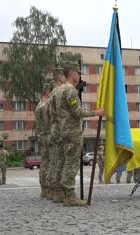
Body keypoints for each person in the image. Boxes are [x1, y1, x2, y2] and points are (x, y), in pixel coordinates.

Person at [56, 62, 104, 206]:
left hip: (65, 131)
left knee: (67, 163)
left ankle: (66, 195)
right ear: (71, 73)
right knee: (71, 164)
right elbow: (77, 112)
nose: (80, 75)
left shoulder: (60, 90)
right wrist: (96, 112)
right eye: (78, 72)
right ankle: (70, 197)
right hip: (72, 132)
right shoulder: (70, 90)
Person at [47, 66, 66, 202]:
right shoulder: (58, 92)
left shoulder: (53, 93)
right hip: (59, 128)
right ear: (60, 77)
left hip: (54, 128)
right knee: (61, 161)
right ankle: (59, 191)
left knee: (55, 161)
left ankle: (54, 191)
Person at [35, 83, 52, 198]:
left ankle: (44, 188)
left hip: (42, 136)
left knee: (45, 162)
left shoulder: (39, 106)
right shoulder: (44, 107)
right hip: (47, 137)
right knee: (48, 163)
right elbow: (48, 123)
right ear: (47, 92)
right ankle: (47, 188)